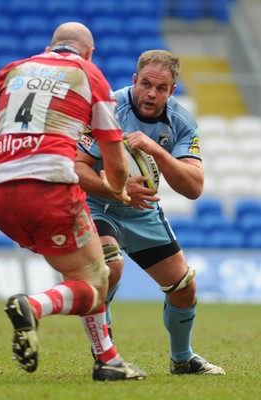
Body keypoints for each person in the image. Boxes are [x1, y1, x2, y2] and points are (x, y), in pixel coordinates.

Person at [0, 22, 147, 381]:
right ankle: (31, 305)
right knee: (96, 285)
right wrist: (117, 188)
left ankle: (108, 360)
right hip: (51, 191)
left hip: (0, 196)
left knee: (84, 272)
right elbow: (114, 156)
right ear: (89, 52)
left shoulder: (11, 71)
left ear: (50, 46)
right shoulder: (89, 74)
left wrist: (11, 163)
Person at [75, 49, 225, 375]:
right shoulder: (107, 108)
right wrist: (117, 188)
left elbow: (194, 187)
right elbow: (77, 169)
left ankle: (182, 359)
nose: (151, 93)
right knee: (108, 268)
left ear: (172, 91)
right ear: (134, 80)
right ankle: (107, 357)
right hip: (98, 204)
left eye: (161, 88)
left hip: (142, 212)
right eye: (146, 84)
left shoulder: (182, 122)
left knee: (184, 288)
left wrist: (157, 149)